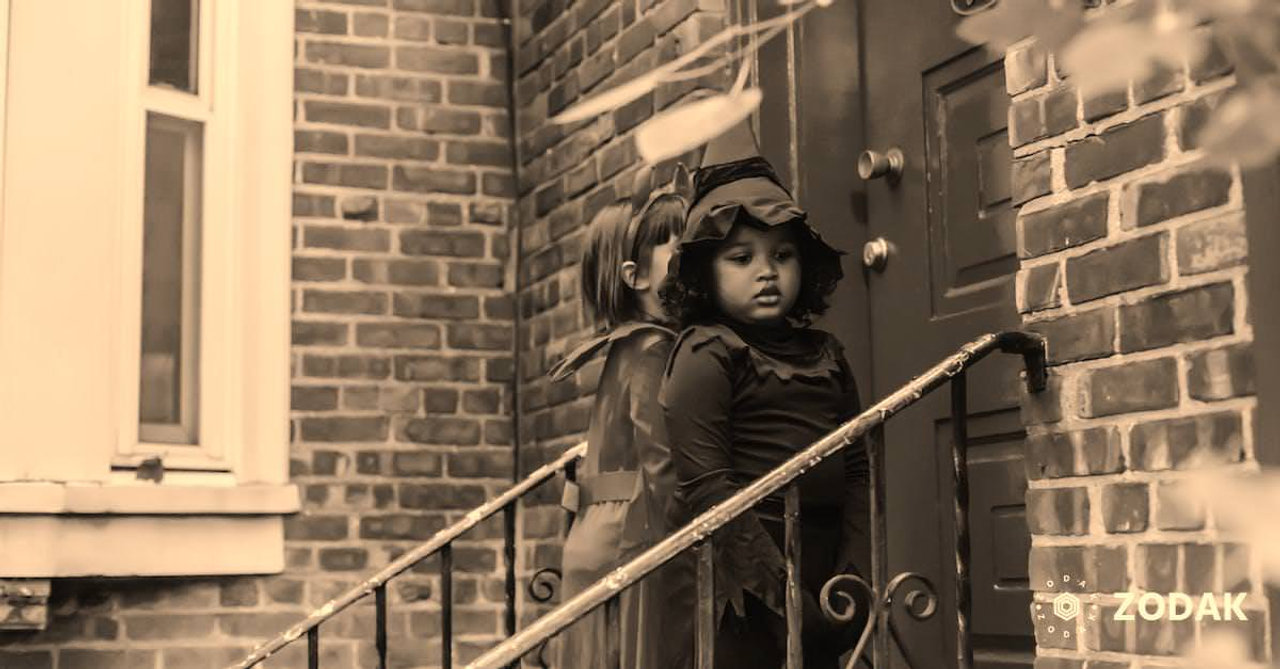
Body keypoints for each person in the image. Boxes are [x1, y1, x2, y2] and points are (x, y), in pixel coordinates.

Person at [659, 119, 872, 668]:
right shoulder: (707, 354)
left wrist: (851, 573)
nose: (766, 272)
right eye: (742, 258)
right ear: (707, 272)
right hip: (747, 570)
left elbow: (856, 469)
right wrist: (786, 598)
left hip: (826, 566)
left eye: (782, 255)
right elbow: (710, 491)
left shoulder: (827, 354)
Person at [549, 167, 690, 669]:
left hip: (598, 527)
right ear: (636, 277)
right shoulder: (654, 348)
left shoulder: (625, 346)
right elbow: (661, 461)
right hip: (629, 532)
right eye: (681, 253)